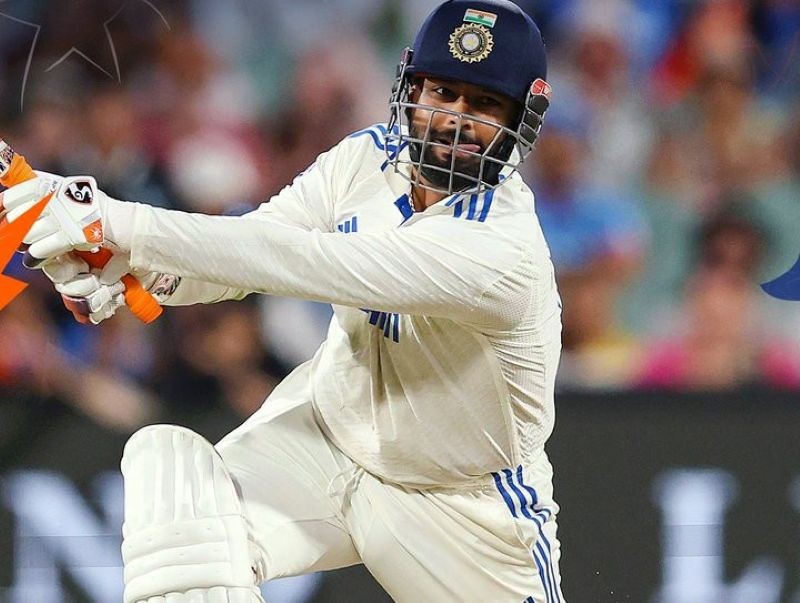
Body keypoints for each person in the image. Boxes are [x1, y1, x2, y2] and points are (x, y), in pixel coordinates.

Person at [1, 1, 564, 601]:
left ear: (521, 119)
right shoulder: (367, 158)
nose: (454, 120)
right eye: (443, 93)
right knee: (175, 490)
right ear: (411, 87)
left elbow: (300, 262)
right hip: (324, 437)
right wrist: (136, 269)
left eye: (483, 104)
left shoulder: (501, 250)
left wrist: (114, 222)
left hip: (462, 502)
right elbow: (250, 251)